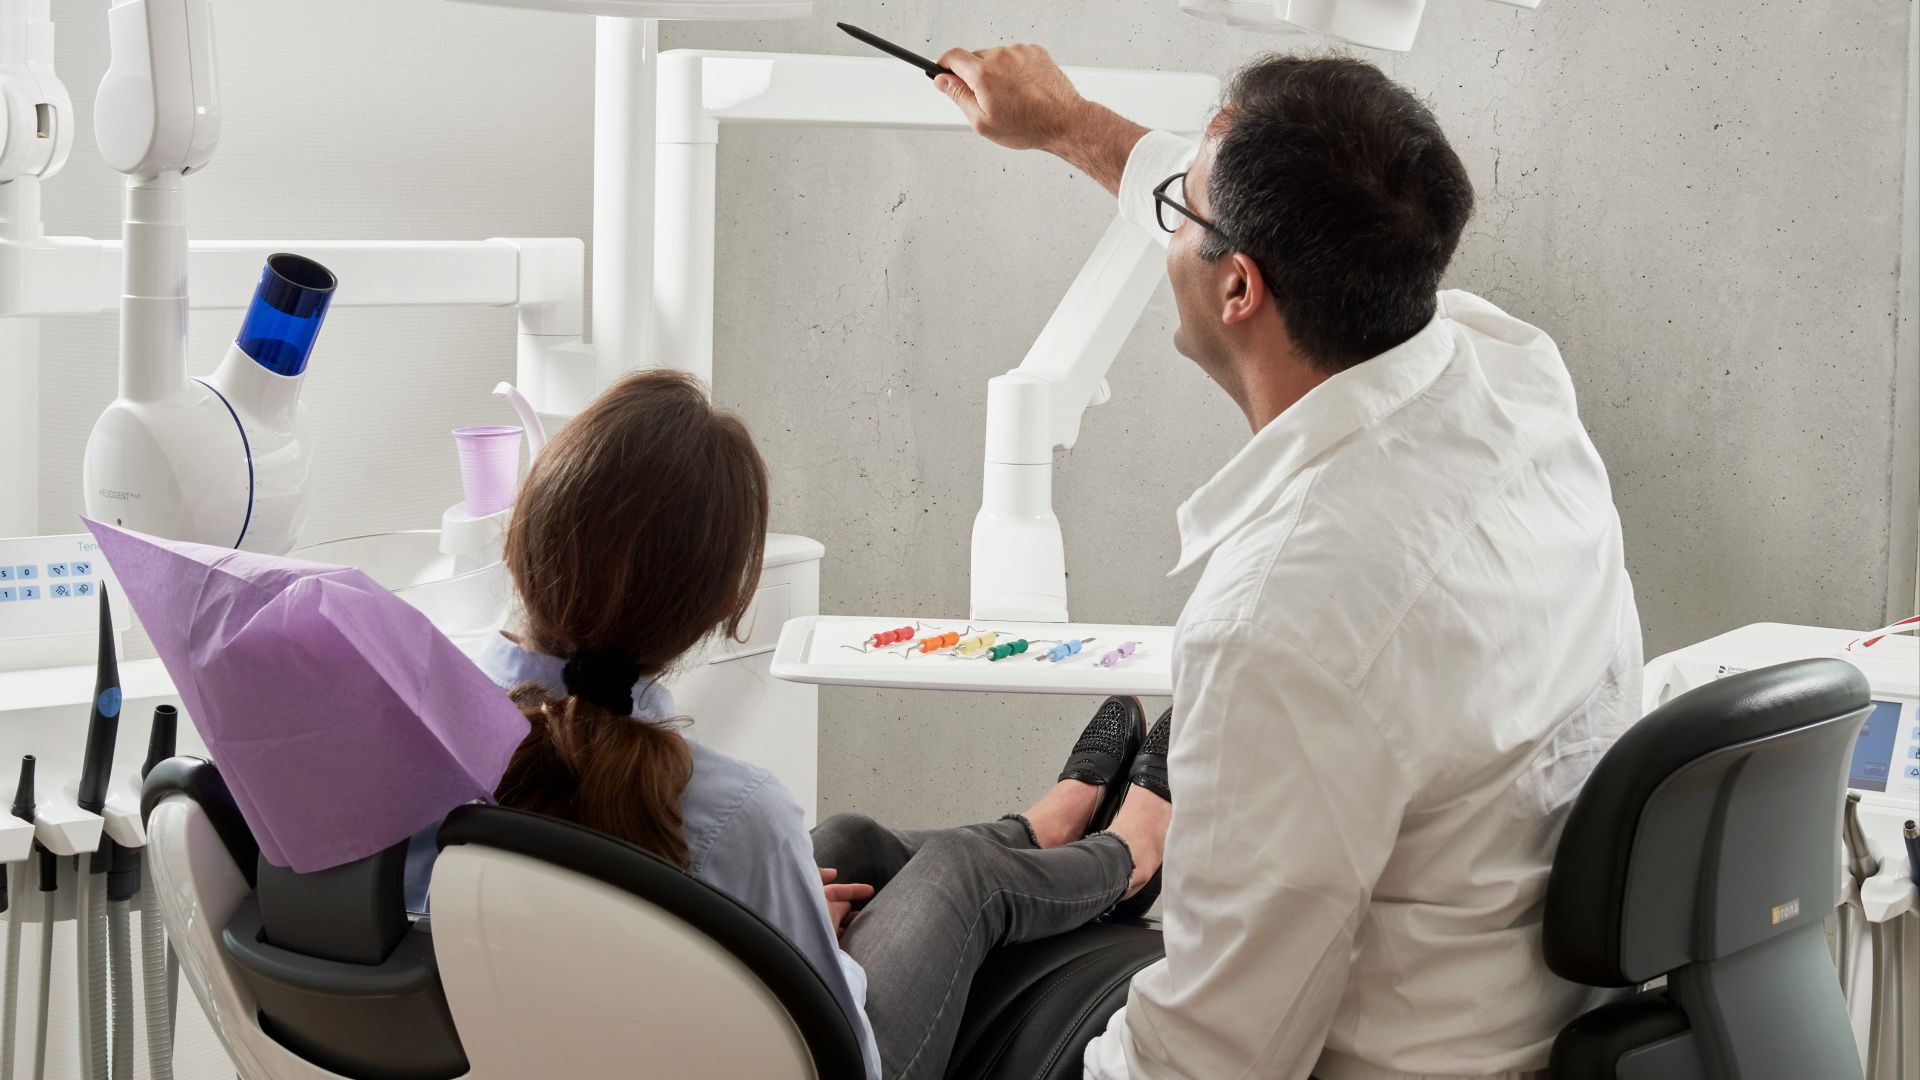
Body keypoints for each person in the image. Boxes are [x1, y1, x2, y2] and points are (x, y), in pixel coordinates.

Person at [931, 47, 1644, 1080]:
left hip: (1339, 1053)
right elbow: (1264, 217)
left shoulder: (1284, 620)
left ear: (1239, 288)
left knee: (925, 907)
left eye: (1184, 204)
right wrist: (1068, 122)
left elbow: (1207, 1064)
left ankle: (1099, 856)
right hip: (1506, 999)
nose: (1169, 212)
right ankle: (1117, 851)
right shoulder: (1509, 370)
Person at [473, 368, 1175, 1080]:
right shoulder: (739, 814)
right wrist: (820, 961)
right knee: (963, 874)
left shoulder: (428, 743)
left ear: (520, 533)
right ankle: (1128, 856)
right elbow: (843, 1055)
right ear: (723, 609)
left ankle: (1039, 832)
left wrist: (791, 930)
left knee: (849, 840)